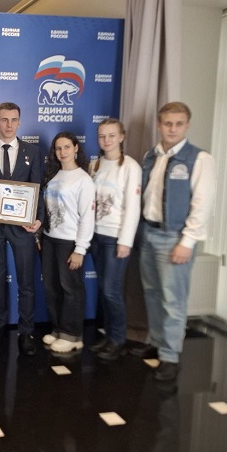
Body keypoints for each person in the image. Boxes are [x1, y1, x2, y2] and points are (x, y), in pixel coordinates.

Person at [136, 102, 216, 381]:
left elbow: (202, 205)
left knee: (173, 299)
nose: (172, 129)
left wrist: (188, 241)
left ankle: (170, 356)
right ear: (159, 125)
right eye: (168, 123)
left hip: (175, 237)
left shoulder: (199, 159)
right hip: (148, 232)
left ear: (187, 125)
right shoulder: (151, 155)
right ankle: (158, 343)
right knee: (152, 293)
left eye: (178, 124)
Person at [0, 102, 42, 355]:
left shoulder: (32, 152)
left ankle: (26, 331)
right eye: (4, 120)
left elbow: (38, 187)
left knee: (26, 281)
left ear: (19, 122)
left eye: (14, 120)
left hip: (23, 227)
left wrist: (38, 219)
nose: (9, 125)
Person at [88, 119, 142, 360]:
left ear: (121, 137)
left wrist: (125, 241)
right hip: (96, 236)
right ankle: (108, 336)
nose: (106, 140)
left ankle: (118, 339)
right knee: (103, 289)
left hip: (115, 237)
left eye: (111, 135)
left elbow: (133, 207)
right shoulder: (95, 165)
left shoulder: (130, 167)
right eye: (102, 136)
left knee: (112, 291)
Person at [41, 132, 95, 353]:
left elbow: (87, 217)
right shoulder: (53, 175)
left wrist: (80, 249)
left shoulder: (83, 179)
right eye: (58, 148)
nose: (62, 152)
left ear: (75, 148)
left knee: (71, 288)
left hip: (69, 242)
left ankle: (72, 336)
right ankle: (58, 330)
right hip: (49, 239)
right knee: (52, 287)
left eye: (66, 147)